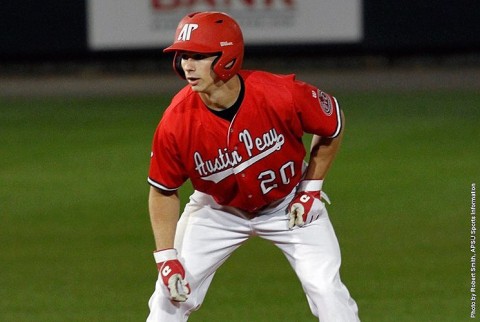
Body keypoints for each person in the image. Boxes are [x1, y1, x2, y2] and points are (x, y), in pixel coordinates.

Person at [146, 11, 360, 322]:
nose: (187, 66)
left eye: (199, 56)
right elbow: (163, 191)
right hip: (217, 212)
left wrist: (311, 188)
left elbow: (332, 123)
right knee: (168, 299)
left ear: (227, 56)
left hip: (288, 204)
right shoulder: (176, 121)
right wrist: (166, 258)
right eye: (182, 56)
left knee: (327, 291)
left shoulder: (280, 94)